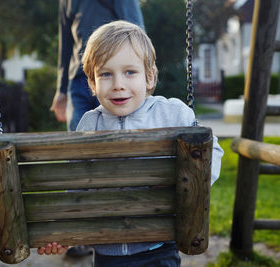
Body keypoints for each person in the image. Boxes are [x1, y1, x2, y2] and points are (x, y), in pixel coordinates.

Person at [38, 20, 224, 266]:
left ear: (149, 77)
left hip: (158, 247)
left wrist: (183, 188)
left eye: (129, 72)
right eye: (106, 74)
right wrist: (65, 233)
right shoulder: (89, 124)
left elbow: (211, 153)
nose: (118, 84)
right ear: (93, 84)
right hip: (107, 253)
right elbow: (76, 187)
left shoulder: (172, 114)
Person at [52, 0, 144, 131]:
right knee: (78, 141)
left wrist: (136, 77)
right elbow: (66, 43)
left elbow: (137, 35)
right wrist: (61, 90)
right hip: (78, 79)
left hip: (112, 78)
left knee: (116, 139)